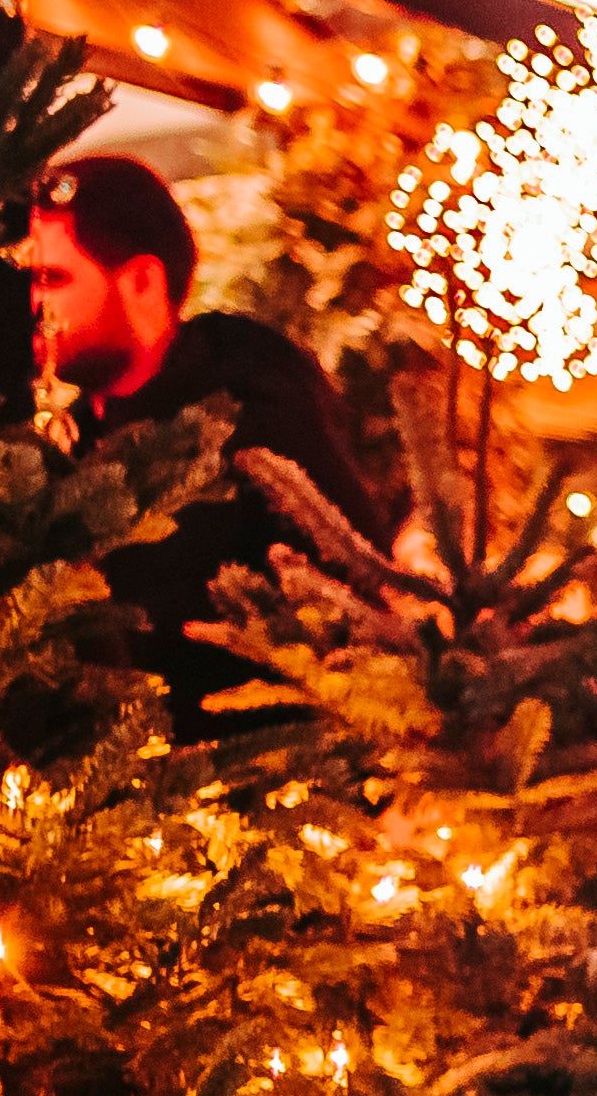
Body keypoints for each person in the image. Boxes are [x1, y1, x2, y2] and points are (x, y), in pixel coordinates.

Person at [19, 154, 384, 721]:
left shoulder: (255, 417)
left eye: (54, 278)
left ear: (142, 281)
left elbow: (351, 597)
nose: (36, 305)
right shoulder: (74, 441)